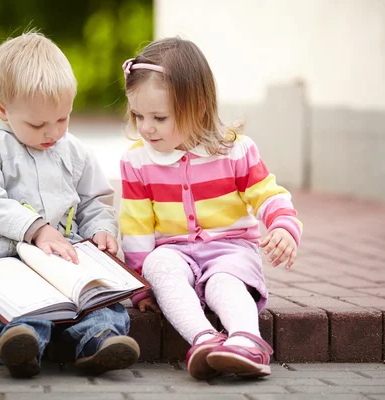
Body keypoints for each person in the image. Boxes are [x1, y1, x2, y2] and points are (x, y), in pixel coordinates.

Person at [0, 30, 139, 379]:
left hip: (65, 260)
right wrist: (35, 228)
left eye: (62, 119)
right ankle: (19, 344)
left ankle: (101, 340)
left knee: (99, 297)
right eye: (38, 124)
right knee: (10, 300)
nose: (52, 132)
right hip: (4, 258)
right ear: (2, 108)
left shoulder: (73, 151)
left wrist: (102, 230)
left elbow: (93, 201)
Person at [119, 37, 302, 380]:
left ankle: (247, 342)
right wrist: (141, 285)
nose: (145, 127)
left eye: (159, 117)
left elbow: (267, 194)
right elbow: (136, 226)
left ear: (198, 106)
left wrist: (282, 225)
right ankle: (203, 339)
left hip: (230, 250)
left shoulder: (235, 152)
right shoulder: (137, 162)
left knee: (224, 284)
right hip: (174, 251)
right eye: (138, 115)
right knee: (159, 265)